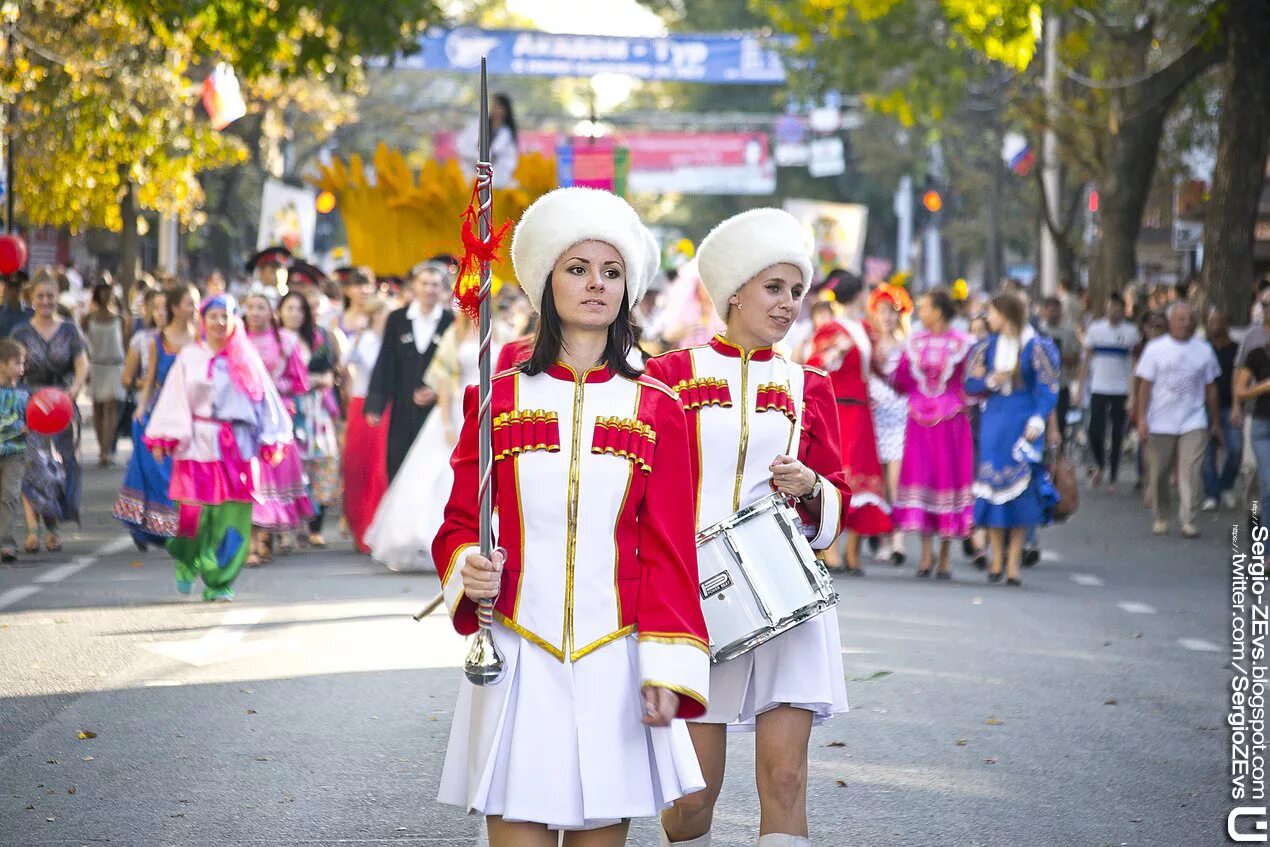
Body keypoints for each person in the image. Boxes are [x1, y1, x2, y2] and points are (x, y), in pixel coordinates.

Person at [431, 187, 708, 841]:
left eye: (611, 272)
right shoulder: (495, 395)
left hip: (616, 659)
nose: (595, 284)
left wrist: (667, 669)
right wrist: (467, 567)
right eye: (578, 268)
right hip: (520, 654)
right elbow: (458, 524)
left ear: (628, 288)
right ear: (546, 280)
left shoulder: (659, 406)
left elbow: (671, 551)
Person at [647, 208, 850, 847]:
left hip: (787, 596)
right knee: (693, 797)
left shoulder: (808, 385)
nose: (790, 303)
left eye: (797, 290)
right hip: (697, 600)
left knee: (786, 780)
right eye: (774, 288)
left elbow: (836, 491)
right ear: (734, 290)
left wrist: (812, 488)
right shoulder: (668, 377)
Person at [144, 294, 296, 601]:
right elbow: (174, 399)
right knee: (192, 517)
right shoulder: (189, 357)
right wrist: (165, 436)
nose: (219, 322)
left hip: (237, 450)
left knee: (232, 518)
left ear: (235, 321)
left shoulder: (248, 358)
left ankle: (220, 580)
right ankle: (187, 562)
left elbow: (267, 402)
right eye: (213, 316)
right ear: (203, 321)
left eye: (226, 316)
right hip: (197, 446)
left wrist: (271, 439)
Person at [368, 312, 504, 569]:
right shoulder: (455, 334)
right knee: (439, 473)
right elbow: (443, 381)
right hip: (459, 406)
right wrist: (445, 422)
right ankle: (431, 539)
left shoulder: (503, 333)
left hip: (493, 405)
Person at [965, 294, 1061, 586]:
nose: (988, 318)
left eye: (992, 313)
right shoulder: (986, 346)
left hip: (1023, 422)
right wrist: (991, 380)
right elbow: (970, 382)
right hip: (995, 420)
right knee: (993, 491)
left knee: (1021, 492)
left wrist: (1038, 418)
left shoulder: (1036, 346)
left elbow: (1048, 387)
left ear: (1006, 314)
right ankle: (995, 558)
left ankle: (1013, 563)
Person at [803, 270, 891, 575]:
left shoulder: (865, 328)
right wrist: (835, 353)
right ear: (859, 294)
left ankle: (852, 552)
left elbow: (879, 368)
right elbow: (815, 366)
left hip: (862, 410)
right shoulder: (831, 329)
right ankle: (831, 551)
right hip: (839, 409)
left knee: (864, 476)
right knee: (840, 474)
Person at [887, 288, 975, 577]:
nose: (920, 313)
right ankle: (926, 555)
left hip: (950, 423)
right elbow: (901, 379)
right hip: (919, 422)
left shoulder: (963, 344)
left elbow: (972, 382)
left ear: (938, 311)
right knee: (924, 480)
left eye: (924, 307)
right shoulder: (914, 341)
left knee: (946, 480)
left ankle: (946, 557)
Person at [113, 287, 195, 549]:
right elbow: (148, 383)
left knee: (180, 472)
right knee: (153, 469)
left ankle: (176, 526)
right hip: (161, 412)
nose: (192, 309)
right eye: (187, 303)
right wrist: (141, 410)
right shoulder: (155, 340)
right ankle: (150, 525)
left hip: (191, 412)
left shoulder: (199, 338)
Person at [12, 274, 89, 553]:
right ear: (32, 298)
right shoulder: (20, 333)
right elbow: (9, 368)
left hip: (61, 406)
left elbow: (82, 364)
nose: (46, 301)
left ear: (58, 297)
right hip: (30, 406)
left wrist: (75, 388)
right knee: (32, 466)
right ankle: (33, 529)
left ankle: (53, 529)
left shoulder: (70, 330)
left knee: (58, 468)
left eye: (50, 296)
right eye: (40, 296)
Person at [1134, 302, 1222, 538]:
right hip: (1161, 421)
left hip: (1193, 420)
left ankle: (1189, 519)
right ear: (1170, 321)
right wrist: (1141, 418)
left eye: (1189, 319)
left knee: (1191, 471)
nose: (1186, 323)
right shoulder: (1155, 348)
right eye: (1181, 319)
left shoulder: (1203, 350)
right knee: (1159, 472)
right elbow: (1145, 386)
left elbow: (1211, 387)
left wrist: (1214, 421)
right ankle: (1162, 516)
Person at [364, 264, 454, 481]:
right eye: (424, 283)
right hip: (402, 404)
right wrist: (376, 403)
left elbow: (454, 366)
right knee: (398, 461)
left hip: (436, 409)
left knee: (432, 467)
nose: (429, 289)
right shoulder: (398, 319)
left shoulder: (450, 321)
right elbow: (386, 361)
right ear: (414, 285)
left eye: (435, 285)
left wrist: (436, 391)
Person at [242, 292, 314, 562]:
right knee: (251, 476)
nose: (256, 312)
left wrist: (273, 388)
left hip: (276, 419)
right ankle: (251, 542)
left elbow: (300, 382)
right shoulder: (236, 341)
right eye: (251, 307)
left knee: (272, 475)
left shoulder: (286, 341)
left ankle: (265, 537)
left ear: (271, 312)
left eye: (262, 307)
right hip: (246, 417)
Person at [279, 290, 344, 548]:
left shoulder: (319, 337)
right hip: (288, 411)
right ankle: (284, 530)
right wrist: (307, 382)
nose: (295, 314)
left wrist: (320, 380)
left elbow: (330, 371)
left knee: (322, 464)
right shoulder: (274, 340)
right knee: (289, 468)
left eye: (300, 309)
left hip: (317, 411)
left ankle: (314, 525)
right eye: (290, 308)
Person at [340, 295, 391, 553]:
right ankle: (360, 526)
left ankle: (377, 527)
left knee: (378, 470)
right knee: (359, 467)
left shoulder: (388, 341)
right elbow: (347, 364)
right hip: (363, 405)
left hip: (386, 407)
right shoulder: (365, 340)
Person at [867, 281, 913, 566]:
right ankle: (882, 537)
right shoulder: (868, 343)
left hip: (901, 418)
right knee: (879, 482)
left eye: (892, 312)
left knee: (896, 482)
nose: (887, 317)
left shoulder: (908, 344)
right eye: (883, 311)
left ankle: (898, 539)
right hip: (873, 418)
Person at [1077, 293, 1138, 491]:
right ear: (1106, 308)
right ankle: (1100, 465)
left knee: (1117, 433)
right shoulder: (1095, 329)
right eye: (1111, 307)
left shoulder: (1131, 332)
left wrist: (1132, 392)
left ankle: (1113, 475)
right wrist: (1080, 388)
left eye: (1119, 308)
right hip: (1098, 386)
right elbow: (1086, 361)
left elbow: (1134, 364)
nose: (1115, 312)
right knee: (1095, 429)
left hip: (1120, 388)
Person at [81, 282, 130, 466]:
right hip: (96, 365)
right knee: (98, 408)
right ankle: (102, 446)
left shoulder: (120, 319)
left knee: (111, 407)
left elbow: (125, 345)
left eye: (107, 293)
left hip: (115, 365)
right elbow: (83, 347)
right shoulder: (87, 319)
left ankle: (106, 450)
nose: (104, 297)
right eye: (101, 293)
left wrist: (127, 370)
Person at [1201, 308, 1241, 511]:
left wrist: (1237, 405)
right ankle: (1211, 493)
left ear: (1226, 323)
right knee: (1208, 454)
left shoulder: (1236, 349)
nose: (1212, 325)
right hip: (1204, 407)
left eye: (1216, 321)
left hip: (1230, 406)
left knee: (1235, 449)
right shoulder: (1202, 348)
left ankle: (1226, 486)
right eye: (1210, 321)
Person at [1234, 304, 1270, 516]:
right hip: (1259, 420)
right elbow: (1240, 386)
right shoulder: (1255, 349)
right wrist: (1263, 387)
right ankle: (1257, 528)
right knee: (1254, 474)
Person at [0, 339, 29, 562]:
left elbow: (31, 422)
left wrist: (30, 428)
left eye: (23, 363)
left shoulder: (24, 395)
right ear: (2, 365)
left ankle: (7, 543)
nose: (22, 369)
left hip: (16, 454)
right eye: (17, 363)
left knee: (9, 495)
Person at [457, 92, 519, 188]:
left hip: (497, 180)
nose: (496, 110)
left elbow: (509, 161)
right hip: (471, 173)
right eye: (494, 105)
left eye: (499, 107)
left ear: (506, 110)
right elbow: (463, 146)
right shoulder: (477, 125)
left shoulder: (507, 133)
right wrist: (479, 158)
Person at [1038, 296, 1078, 444]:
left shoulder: (1068, 332)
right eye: (1050, 310)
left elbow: (1076, 358)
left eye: (1057, 311)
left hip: (1061, 386)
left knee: (1060, 424)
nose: (1054, 314)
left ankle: (1058, 458)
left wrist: (1061, 357)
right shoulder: (1039, 331)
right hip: (1041, 388)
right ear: (1044, 311)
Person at [0, 273, 33, 338]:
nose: (14, 293)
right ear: (5, 290)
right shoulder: (1, 312)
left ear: (23, 290)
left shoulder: (32, 314)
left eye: (17, 289)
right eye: (10, 289)